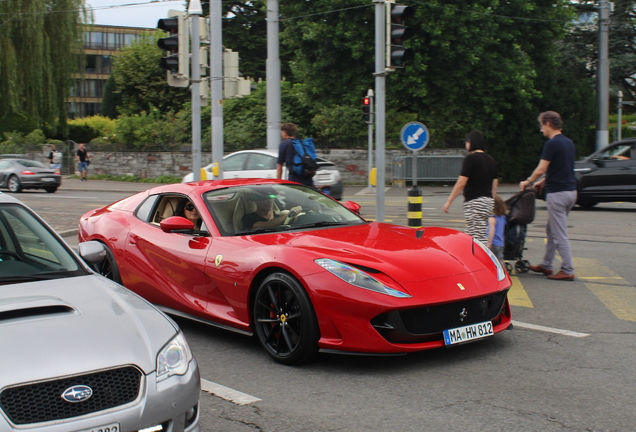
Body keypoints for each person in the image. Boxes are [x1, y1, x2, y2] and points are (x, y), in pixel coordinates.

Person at [520, 111, 576, 281]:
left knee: (559, 233)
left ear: (548, 123)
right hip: (570, 192)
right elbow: (560, 169)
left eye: (541, 125)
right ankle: (546, 265)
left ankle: (567, 268)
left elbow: (542, 167)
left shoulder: (552, 144)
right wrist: (543, 182)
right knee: (551, 230)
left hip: (558, 194)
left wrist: (528, 181)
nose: (541, 129)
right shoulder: (568, 143)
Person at [442, 130, 498, 245]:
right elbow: (494, 184)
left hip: (475, 202)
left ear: (471, 142)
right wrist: (491, 201)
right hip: (488, 202)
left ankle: (480, 260)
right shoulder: (491, 160)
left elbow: (461, 182)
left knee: (475, 238)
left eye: (467, 141)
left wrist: (449, 201)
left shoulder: (471, 159)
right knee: (475, 233)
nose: (466, 144)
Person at [276, 123, 314, 187]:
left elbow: (280, 167)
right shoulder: (301, 142)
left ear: (285, 133)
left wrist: (278, 183)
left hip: (294, 179)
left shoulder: (284, 144)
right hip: (308, 178)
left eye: (282, 132)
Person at [487, 194, 508, 265]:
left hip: (493, 243)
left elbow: (491, 231)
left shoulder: (492, 218)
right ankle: (503, 270)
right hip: (500, 243)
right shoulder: (503, 217)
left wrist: (489, 242)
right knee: (500, 259)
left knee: (491, 259)